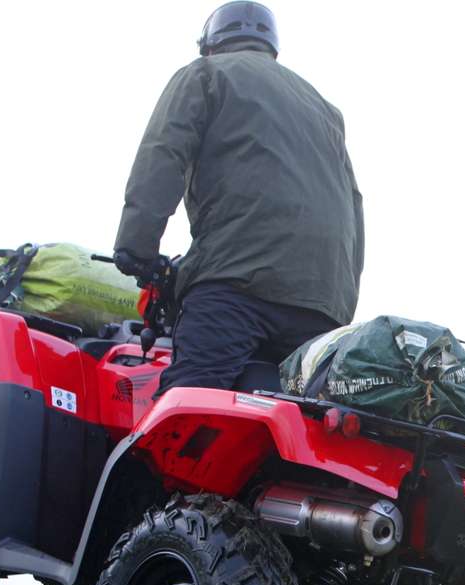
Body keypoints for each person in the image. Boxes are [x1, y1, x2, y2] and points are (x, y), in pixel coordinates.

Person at [113, 1, 363, 394]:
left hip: (234, 286)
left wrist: (136, 248)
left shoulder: (205, 73)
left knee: (189, 414)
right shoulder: (325, 110)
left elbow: (163, 155)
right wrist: (338, 305)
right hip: (321, 308)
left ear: (211, 45)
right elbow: (354, 205)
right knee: (299, 426)